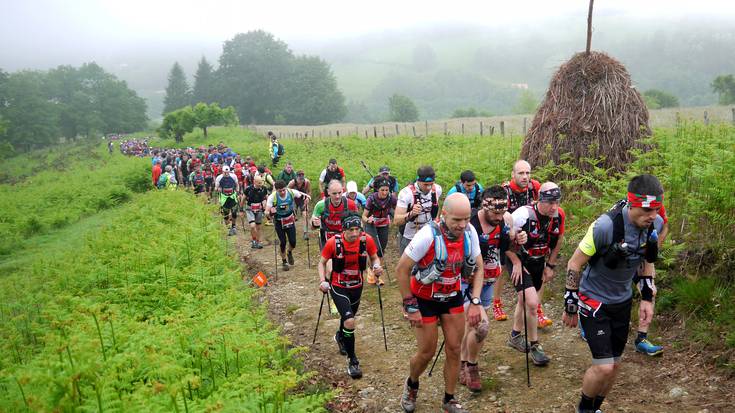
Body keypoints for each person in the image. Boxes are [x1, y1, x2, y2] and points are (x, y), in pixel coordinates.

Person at [563, 174, 664, 413]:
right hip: (593, 300)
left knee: (615, 366)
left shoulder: (655, 224)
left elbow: (647, 261)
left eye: (657, 209)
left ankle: (594, 407)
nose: (652, 216)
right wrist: (570, 304)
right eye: (647, 210)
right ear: (632, 203)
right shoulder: (605, 226)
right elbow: (574, 263)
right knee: (604, 367)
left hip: (622, 301)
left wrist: (647, 299)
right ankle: (583, 410)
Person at [396, 193, 484, 413]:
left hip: (451, 296)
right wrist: (410, 305)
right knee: (426, 352)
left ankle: (449, 399)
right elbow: (402, 269)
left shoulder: (470, 233)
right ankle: (412, 384)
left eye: (466, 219)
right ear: (444, 214)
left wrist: (474, 300)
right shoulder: (427, 234)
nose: (462, 225)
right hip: (424, 299)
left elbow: (479, 267)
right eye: (456, 220)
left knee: (454, 349)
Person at [459, 186, 525, 393]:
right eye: (494, 213)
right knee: (479, 326)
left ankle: (463, 363)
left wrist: (517, 247)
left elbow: (507, 248)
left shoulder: (506, 220)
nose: (498, 216)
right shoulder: (469, 223)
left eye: (502, 212)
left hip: (488, 280)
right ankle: (472, 365)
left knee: (472, 327)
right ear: (484, 207)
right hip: (464, 281)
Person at [318, 213, 383, 379]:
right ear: (343, 229)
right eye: (351, 230)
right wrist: (322, 281)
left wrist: (377, 267)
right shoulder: (334, 242)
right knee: (349, 320)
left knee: (349, 316)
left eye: (357, 229)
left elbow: (375, 258)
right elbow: (322, 262)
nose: (354, 233)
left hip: (357, 285)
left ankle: (340, 336)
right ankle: (353, 361)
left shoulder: (365, 240)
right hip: (338, 285)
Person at [506, 182, 565, 367]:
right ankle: (535, 345)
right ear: (540, 199)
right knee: (532, 303)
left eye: (557, 202)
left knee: (525, 301)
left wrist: (551, 265)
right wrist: (515, 261)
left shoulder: (558, 215)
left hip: (539, 261)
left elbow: (558, 240)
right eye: (550, 202)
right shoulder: (523, 214)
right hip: (519, 260)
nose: (554, 207)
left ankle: (515, 336)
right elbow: (504, 240)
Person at [494, 160, 542, 323]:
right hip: (507, 233)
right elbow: (499, 215)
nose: (525, 177)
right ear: (513, 175)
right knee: (500, 268)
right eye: (521, 173)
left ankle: (537, 306)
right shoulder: (505, 190)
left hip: (528, 233)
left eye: (528, 173)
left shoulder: (535, 187)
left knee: (536, 267)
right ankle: (496, 303)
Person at [394, 166, 442, 256]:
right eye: (425, 184)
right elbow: (396, 221)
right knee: (407, 268)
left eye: (431, 184)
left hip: (428, 235)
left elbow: (436, 207)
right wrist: (411, 213)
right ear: (418, 181)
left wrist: (436, 220)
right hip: (409, 236)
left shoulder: (437, 190)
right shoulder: (406, 193)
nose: (428, 188)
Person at [266, 180, 311, 271]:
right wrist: (270, 212)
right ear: (276, 190)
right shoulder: (272, 197)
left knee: (293, 242)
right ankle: (284, 261)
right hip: (279, 221)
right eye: (280, 191)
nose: (282, 192)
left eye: (283, 190)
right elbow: (266, 212)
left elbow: (306, 196)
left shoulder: (291, 192)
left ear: (286, 188)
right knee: (282, 242)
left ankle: (289, 252)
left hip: (290, 219)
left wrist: (307, 200)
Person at [362, 177, 397, 285]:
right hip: (371, 225)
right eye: (382, 190)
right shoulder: (371, 199)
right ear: (378, 189)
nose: (385, 192)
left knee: (381, 250)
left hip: (384, 225)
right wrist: (368, 220)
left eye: (387, 190)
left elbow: (398, 209)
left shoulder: (391, 199)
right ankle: (373, 273)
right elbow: (363, 216)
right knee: (374, 249)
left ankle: (375, 270)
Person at [311, 180, 360, 250]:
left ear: (343, 190)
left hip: (345, 236)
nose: (337, 196)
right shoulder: (321, 205)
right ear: (328, 192)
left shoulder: (351, 204)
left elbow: (358, 224)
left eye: (339, 193)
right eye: (334, 193)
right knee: (329, 260)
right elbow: (312, 227)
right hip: (326, 237)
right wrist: (314, 223)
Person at [243, 176, 269, 248]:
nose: (260, 184)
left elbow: (266, 197)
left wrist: (266, 204)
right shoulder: (248, 189)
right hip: (249, 209)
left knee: (258, 227)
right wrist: (241, 209)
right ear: (254, 182)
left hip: (259, 209)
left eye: (261, 183)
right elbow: (243, 198)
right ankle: (254, 240)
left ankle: (257, 242)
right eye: (259, 183)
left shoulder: (264, 188)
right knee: (252, 225)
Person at [215, 165, 240, 236]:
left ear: (229, 171)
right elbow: (216, 188)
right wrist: (218, 189)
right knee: (226, 213)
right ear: (222, 172)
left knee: (234, 212)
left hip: (232, 196)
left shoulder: (233, 176)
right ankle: (228, 228)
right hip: (224, 197)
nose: (226, 174)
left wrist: (238, 191)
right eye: (224, 172)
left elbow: (237, 184)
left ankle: (234, 226)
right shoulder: (219, 178)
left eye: (227, 172)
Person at [288, 170, 312, 238]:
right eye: (299, 178)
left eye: (302, 178)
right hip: (293, 199)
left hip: (303, 199)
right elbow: (287, 192)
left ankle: (305, 232)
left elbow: (309, 191)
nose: (301, 180)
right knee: (292, 216)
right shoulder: (292, 183)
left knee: (305, 214)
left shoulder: (307, 182)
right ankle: (291, 231)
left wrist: (308, 198)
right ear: (296, 177)